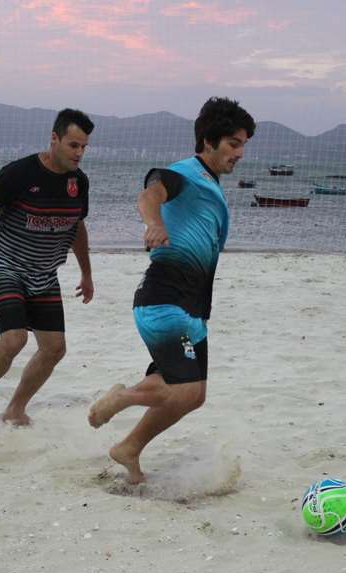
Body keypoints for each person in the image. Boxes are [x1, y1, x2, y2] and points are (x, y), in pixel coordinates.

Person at [87, 97, 256, 483]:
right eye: (233, 143)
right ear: (208, 142)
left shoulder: (210, 185)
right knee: (183, 390)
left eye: (243, 144)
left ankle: (128, 448)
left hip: (192, 309)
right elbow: (150, 195)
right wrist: (153, 224)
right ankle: (120, 399)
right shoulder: (185, 174)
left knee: (193, 395)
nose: (240, 153)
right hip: (165, 301)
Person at [0, 109, 95, 433]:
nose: (79, 153)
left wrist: (86, 274)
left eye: (84, 147)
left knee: (54, 348)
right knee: (14, 339)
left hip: (44, 274)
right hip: (4, 265)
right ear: (55, 139)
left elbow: (77, 226)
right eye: (73, 145)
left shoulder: (79, 182)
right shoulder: (19, 174)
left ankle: (15, 410)